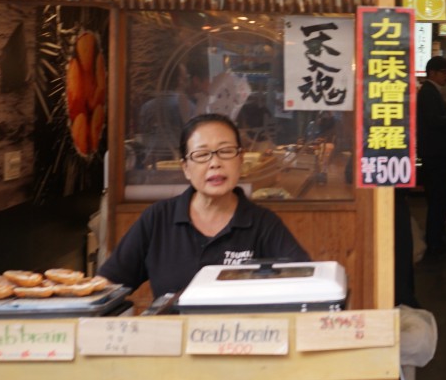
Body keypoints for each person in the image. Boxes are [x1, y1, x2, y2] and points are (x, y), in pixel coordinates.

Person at [100, 113, 309, 297]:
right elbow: (110, 283)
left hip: (239, 339)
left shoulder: (263, 224)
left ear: (240, 159)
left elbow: (305, 282)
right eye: (201, 155)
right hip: (173, 338)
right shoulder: (158, 219)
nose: (215, 163)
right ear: (186, 168)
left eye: (226, 151)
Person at [417, 56, 446, 256]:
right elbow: (434, 121)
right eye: (444, 72)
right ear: (432, 73)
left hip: (435, 152)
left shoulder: (432, 91)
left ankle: (436, 237)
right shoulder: (428, 92)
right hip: (437, 154)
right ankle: (435, 241)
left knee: (438, 198)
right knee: (439, 198)